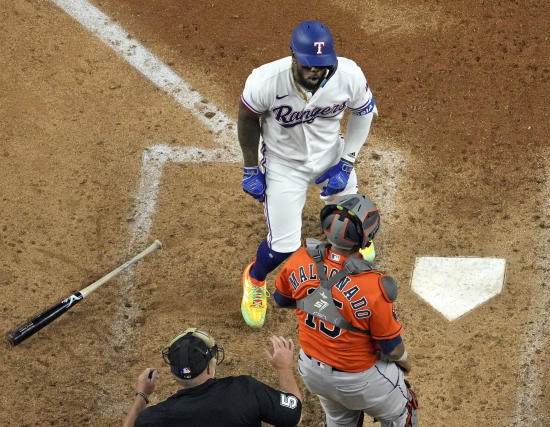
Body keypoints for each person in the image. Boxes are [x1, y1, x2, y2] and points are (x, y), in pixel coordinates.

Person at [238, 20, 378, 328]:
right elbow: (247, 119)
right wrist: (251, 168)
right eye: (308, 65)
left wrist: (346, 162)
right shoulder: (266, 81)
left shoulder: (348, 75)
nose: (315, 71)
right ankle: (254, 279)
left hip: (329, 155)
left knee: (355, 215)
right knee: (284, 245)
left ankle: (355, 242)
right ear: (293, 57)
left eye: (322, 65)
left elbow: (364, 111)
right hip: (283, 165)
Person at [273, 194, 419, 427]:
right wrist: (406, 363)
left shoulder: (299, 260)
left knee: (340, 420)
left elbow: (282, 300)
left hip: (312, 371)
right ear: (366, 237)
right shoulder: (373, 285)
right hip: (360, 379)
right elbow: (391, 347)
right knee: (404, 411)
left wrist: (318, 308)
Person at [122, 328, 302, 427]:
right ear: (210, 367)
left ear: (172, 371)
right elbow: (295, 415)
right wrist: (284, 368)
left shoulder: (156, 417)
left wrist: (142, 395)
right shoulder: (245, 390)